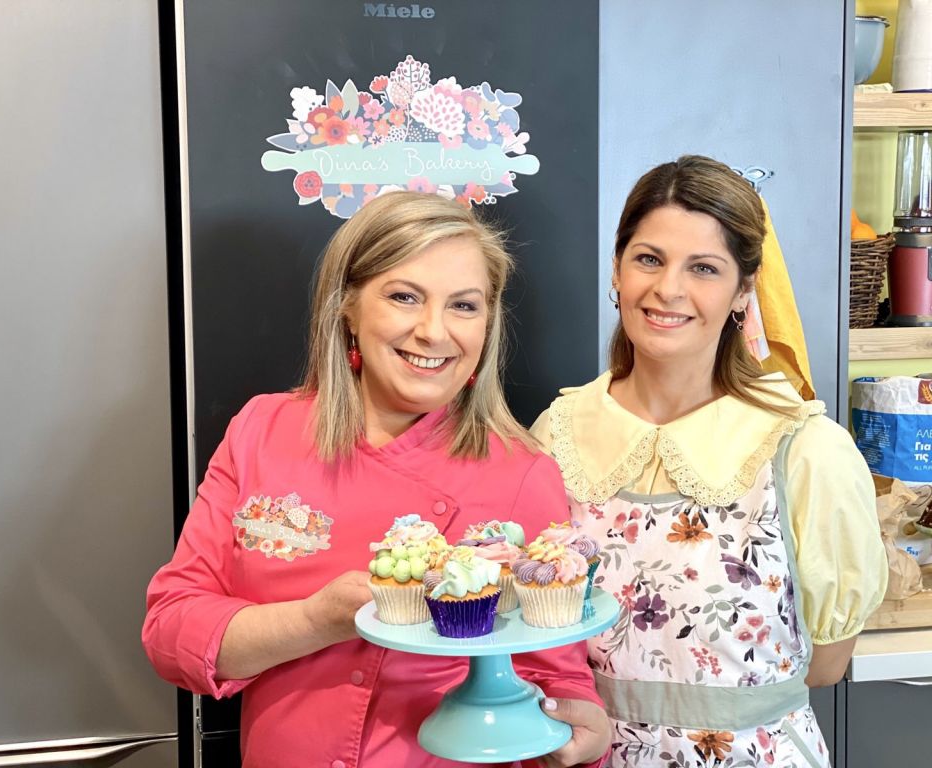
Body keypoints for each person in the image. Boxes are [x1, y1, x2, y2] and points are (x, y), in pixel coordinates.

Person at [143, 190, 610, 768]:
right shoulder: (262, 430)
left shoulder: (522, 472)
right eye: (404, 297)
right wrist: (314, 621)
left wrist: (578, 734)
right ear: (348, 306)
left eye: (464, 306)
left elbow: (554, 673)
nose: (434, 331)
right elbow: (171, 632)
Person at [531, 156, 888, 767]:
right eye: (649, 259)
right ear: (617, 268)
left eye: (703, 268)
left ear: (744, 290)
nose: (668, 289)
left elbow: (827, 665)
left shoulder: (804, 449)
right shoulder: (557, 435)